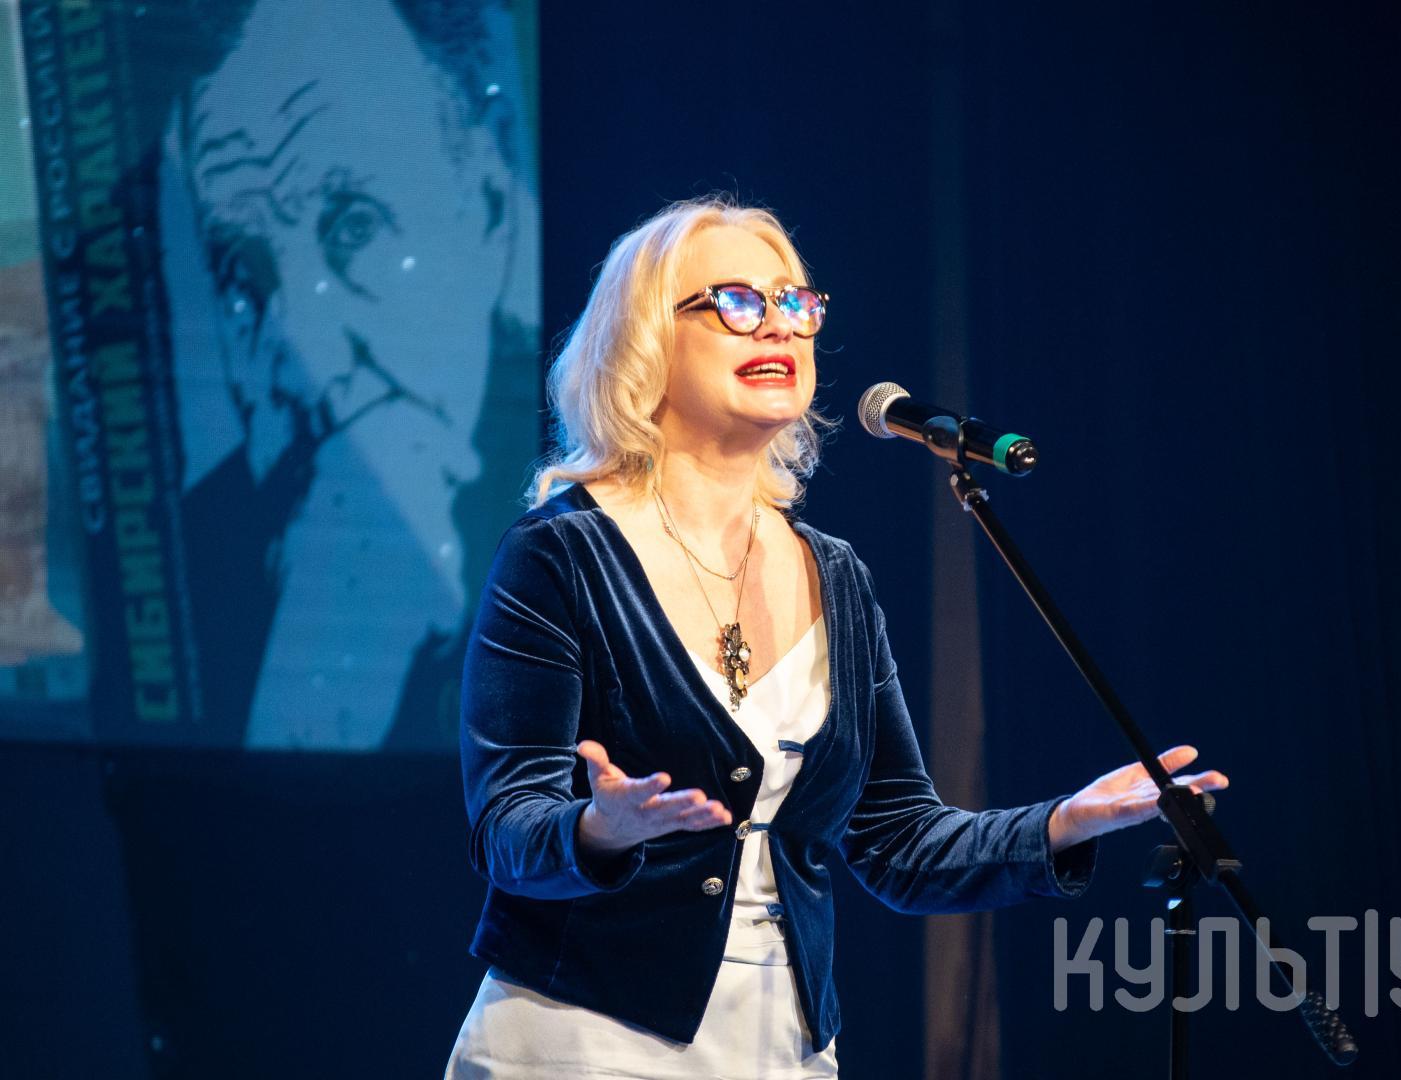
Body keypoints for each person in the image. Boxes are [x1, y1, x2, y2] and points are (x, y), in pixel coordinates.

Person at [446, 197, 1229, 1078]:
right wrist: (598, 827)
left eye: (795, 303)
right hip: (584, 1039)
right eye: (736, 302)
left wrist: (1061, 822)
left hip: (786, 1047)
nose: (777, 325)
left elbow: (899, 844)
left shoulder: (837, 577)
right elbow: (506, 827)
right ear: (645, 343)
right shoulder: (562, 554)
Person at [158, 0, 539, 747]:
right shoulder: (181, 582)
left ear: (491, 203)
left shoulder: (613, 522)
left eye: (355, 226)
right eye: (246, 277)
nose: (309, 354)